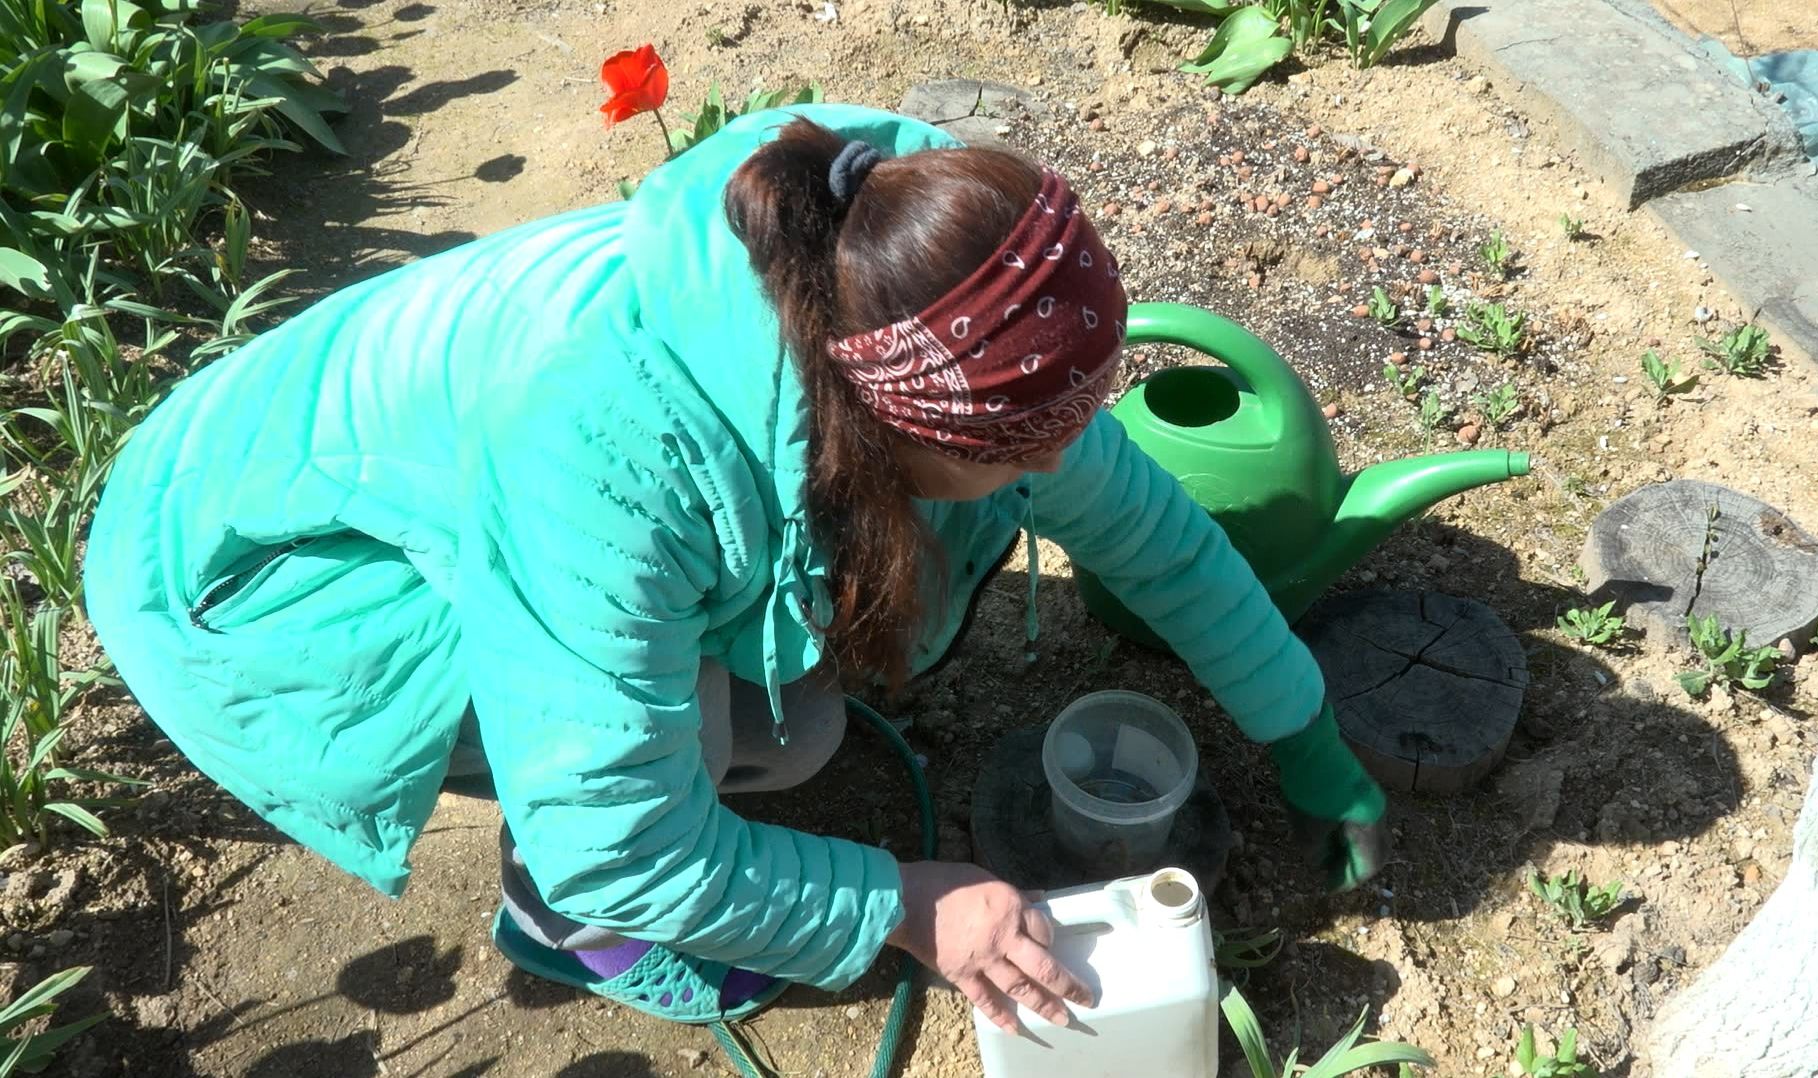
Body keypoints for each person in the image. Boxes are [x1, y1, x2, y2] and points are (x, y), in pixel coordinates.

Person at [83, 103, 1386, 1032]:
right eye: (1023, 455)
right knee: (682, 771)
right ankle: (556, 927)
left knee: (800, 726)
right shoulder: (607, 455)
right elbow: (612, 839)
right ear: (894, 431)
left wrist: (1306, 730)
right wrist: (901, 903)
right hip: (260, 577)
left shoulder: (909, 275)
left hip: (469, 494)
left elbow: (1152, 534)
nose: (1065, 461)